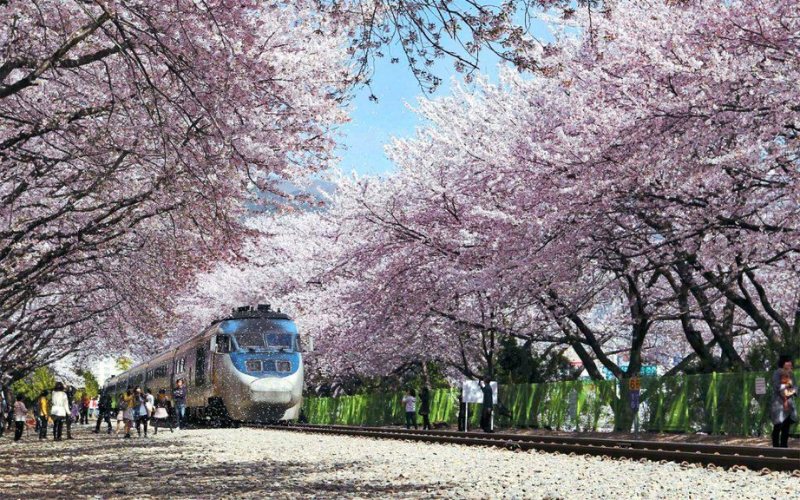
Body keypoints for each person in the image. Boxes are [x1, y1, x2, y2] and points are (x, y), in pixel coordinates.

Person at [770, 355, 797, 448]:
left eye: (790, 362)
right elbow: (777, 386)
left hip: (789, 403)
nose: (789, 363)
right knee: (778, 425)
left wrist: (793, 391)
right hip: (779, 403)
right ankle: (776, 447)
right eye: (787, 361)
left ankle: (784, 447)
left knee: (786, 426)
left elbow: (795, 386)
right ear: (783, 363)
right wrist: (786, 386)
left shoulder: (791, 374)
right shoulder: (777, 373)